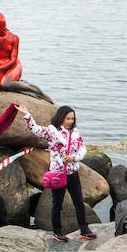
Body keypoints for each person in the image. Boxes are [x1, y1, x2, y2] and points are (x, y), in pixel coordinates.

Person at [16, 104, 97, 242]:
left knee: (79, 202)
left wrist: (74, 157)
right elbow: (35, 129)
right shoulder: (52, 131)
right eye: (68, 119)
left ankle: (85, 230)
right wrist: (26, 114)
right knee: (57, 204)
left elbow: (82, 149)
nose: (71, 121)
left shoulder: (75, 132)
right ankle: (57, 232)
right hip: (58, 174)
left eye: (72, 119)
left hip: (73, 173)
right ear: (61, 118)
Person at [0, 12, 53, 103]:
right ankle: (16, 85)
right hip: (0, 69)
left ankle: (35, 91)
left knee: (6, 85)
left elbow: (13, 61)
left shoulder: (13, 38)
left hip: (13, 66)